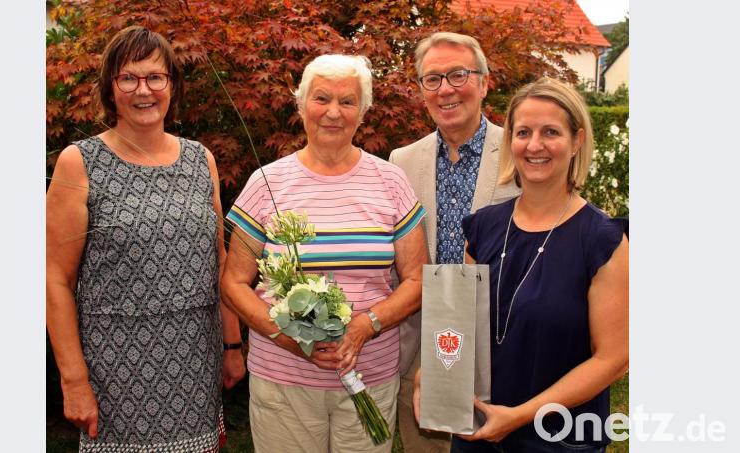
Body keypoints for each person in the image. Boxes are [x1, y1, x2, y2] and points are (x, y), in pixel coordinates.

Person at [46, 26, 245, 453]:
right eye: (128, 78)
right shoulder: (78, 163)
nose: (144, 90)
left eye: (155, 77)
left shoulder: (199, 159)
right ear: (110, 87)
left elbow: (220, 260)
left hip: (196, 361)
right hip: (115, 370)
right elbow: (54, 280)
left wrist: (232, 345)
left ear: (171, 85)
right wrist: (74, 379)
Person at [220, 54, 428, 452]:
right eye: (321, 99)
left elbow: (418, 280)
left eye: (347, 101)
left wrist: (366, 324)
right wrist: (287, 337)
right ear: (300, 105)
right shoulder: (267, 182)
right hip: (283, 383)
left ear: (363, 112)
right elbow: (234, 281)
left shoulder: (391, 181)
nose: (333, 112)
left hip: (369, 375)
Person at [415, 77, 629, 452]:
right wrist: (429, 376)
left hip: (558, 438)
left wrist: (522, 415)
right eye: (523, 132)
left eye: (551, 132)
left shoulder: (602, 240)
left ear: (577, 140)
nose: (535, 145)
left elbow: (614, 359)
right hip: (478, 428)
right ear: (509, 142)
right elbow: (460, 326)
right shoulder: (483, 226)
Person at [388, 32, 520, 453]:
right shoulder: (402, 162)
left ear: (484, 83)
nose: (445, 89)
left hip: (501, 342)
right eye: (432, 79)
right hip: (424, 344)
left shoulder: (522, 152)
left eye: (458, 75)